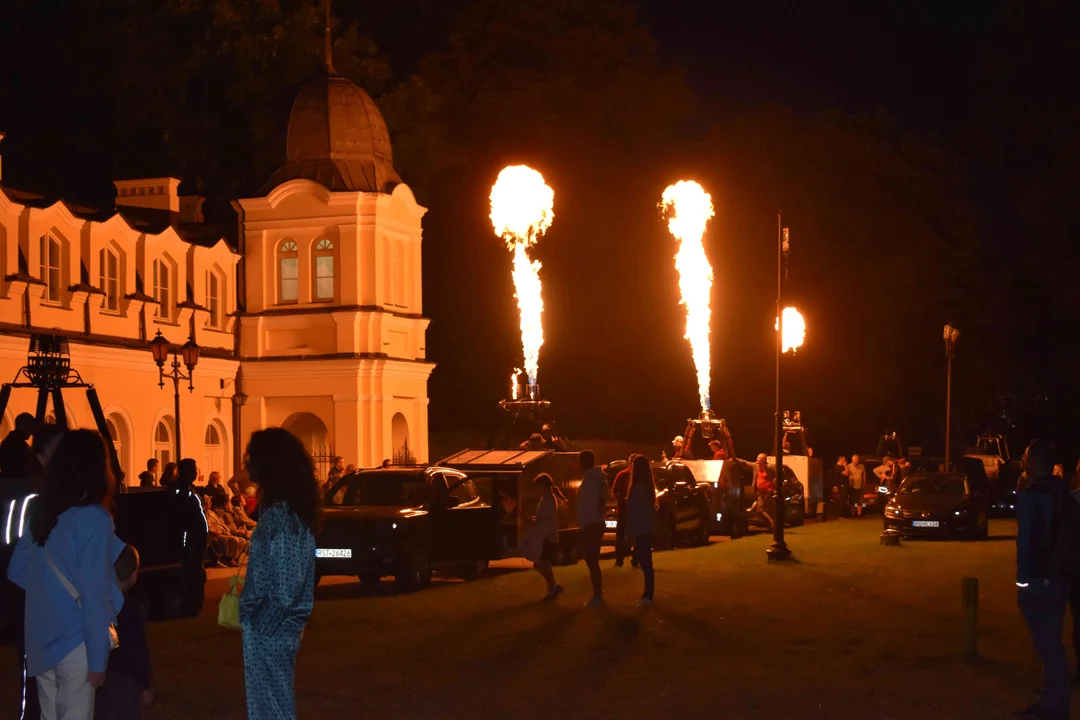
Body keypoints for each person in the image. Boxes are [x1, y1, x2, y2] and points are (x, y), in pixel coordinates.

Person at [7, 430, 124, 720]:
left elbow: (18, 571)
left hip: (41, 640)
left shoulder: (41, 513)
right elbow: (95, 596)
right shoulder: (94, 519)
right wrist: (99, 660)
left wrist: (52, 594)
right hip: (76, 643)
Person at [240, 427, 319, 720]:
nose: (247, 464)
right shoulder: (281, 514)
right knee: (267, 705)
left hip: (272, 630)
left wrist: (260, 624)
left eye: (252, 457)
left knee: (272, 707)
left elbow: (286, 590)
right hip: (271, 628)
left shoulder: (282, 518)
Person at [1015, 439, 1070, 720]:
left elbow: (1026, 542)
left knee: (1047, 643)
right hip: (1061, 576)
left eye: (1025, 455)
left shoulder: (1032, 494)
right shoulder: (1064, 493)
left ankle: (1055, 704)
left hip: (1038, 577)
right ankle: (1053, 698)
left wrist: (1022, 581)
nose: (1022, 459)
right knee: (1053, 639)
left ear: (1034, 461)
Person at [96, 545, 152, 720]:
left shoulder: (95, 603)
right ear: (133, 575)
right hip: (125, 682)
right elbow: (139, 651)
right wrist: (145, 684)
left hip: (98, 680)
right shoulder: (132, 608)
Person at [168, 459, 207, 615]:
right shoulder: (182, 492)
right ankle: (189, 607)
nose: (196, 473)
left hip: (194, 542)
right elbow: (185, 519)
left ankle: (193, 605)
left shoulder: (189, 490)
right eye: (194, 470)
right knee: (190, 576)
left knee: (195, 575)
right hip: (189, 544)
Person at [528, 474, 565, 601]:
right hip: (546, 534)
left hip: (546, 535)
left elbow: (546, 519)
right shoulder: (547, 498)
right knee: (541, 564)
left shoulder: (548, 499)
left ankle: (553, 588)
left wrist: (534, 520)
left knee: (541, 563)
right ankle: (553, 587)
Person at [576, 450, 606, 605]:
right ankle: (597, 594)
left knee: (592, 559)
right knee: (590, 559)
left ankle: (598, 595)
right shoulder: (594, 478)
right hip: (592, 522)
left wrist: (595, 519)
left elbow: (598, 501)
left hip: (591, 523)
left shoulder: (593, 479)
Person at [626, 455, 657, 606]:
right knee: (646, 562)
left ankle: (648, 595)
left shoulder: (637, 487)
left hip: (640, 528)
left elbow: (634, 510)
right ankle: (648, 593)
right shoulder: (648, 487)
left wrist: (630, 531)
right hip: (646, 527)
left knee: (645, 562)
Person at [205, 495, 246, 566]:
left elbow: (225, 524)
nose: (210, 503)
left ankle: (231, 558)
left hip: (222, 532)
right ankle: (226, 559)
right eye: (208, 502)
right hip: (213, 534)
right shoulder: (210, 513)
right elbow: (211, 526)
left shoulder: (219, 513)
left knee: (242, 540)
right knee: (233, 539)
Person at [612, 455, 636, 567]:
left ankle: (619, 559)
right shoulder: (638, 476)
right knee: (636, 535)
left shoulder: (622, 475)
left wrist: (620, 501)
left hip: (624, 510)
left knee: (621, 535)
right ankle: (635, 559)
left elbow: (614, 491)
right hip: (633, 510)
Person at [753, 453, 776, 530]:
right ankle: (771, 523)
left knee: (766, 509)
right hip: (760, 492)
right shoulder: (756, 467)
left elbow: (778, 470)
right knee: (760, 509)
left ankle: (772, 524)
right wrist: (735, 459)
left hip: (768, 492)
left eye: (758, 458)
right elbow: (746, 463)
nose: (756, 459)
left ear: (763, 460)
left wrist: (774, 481)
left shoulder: (769, 467)